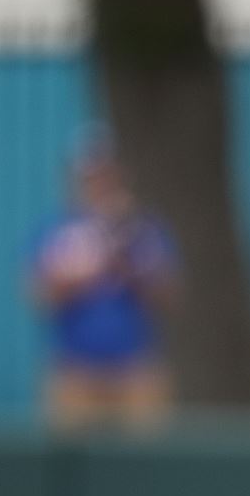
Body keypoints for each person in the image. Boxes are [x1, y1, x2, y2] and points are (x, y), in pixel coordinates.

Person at [29, 132, 178, 434]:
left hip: (136, 371)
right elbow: (40, 294)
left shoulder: (145, 228)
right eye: (92, 175)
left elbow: (170, 295)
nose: (101, 183)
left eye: (107, 174)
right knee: (67, 463)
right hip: (75, 371)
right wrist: (89, 265)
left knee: (145, 465)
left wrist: (129, 257)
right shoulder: (57, 230)